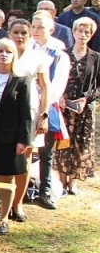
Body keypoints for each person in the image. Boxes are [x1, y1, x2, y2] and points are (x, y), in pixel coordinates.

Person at [0, 38, 31, 236]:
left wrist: (23, 139)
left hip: (10, 138)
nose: (3, 55)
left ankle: (3, 219)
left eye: (8, 52)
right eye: (0, 51)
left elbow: (26, 113)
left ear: (13, 55)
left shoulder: (22, 80)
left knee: (6, 179)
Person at [6, 18, 50, 222]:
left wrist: (44, 115)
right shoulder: (2, 52)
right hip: (6, 112)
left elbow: (45, 87)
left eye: (24, 32)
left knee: (25, 158)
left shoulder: (38, 57)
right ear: (9, 33)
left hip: (30, 111)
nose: (20, 36)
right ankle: (2, 202)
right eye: (16, 32)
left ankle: (18, 203)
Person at [28, 10, 70, 210]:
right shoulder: (25, 48)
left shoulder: (58, 54)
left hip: (45, 105)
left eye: (40, 27)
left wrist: (41, 102)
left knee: (46, 151)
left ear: (51, 29)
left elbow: (57, 86)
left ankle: (44, 191)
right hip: (24, 105)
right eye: (33, 27)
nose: (35, 31)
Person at [54, 17, 100, 196]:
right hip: (64, 105)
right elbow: (55, 79)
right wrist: (61, 96)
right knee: (63, 142)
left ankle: (73, 180)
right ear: (73, 32)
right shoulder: (63, 54)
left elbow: (98, 85)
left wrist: (86, 99)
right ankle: (61, 179)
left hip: (84, 108)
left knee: (80, 143)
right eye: (80, 31)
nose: (83, 35)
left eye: (87, 32)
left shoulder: (96, 57)